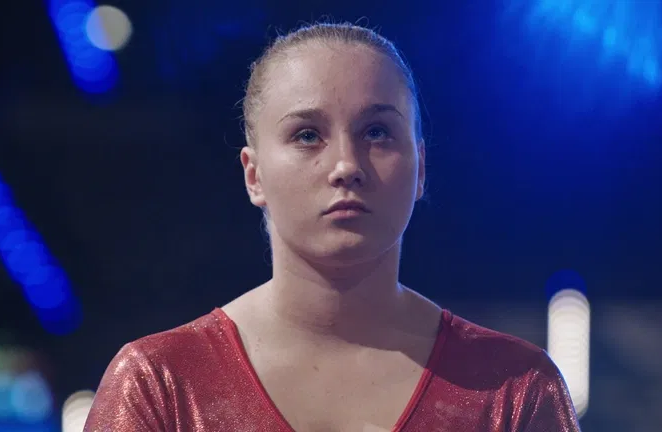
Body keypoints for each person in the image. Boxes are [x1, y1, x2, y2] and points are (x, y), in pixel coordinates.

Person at [83, 22, 581, 432]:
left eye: (377, 132)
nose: (346, 165)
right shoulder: (160, 384)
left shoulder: (515, 388)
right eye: (307, 135)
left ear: (421, 168)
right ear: (253, 175)